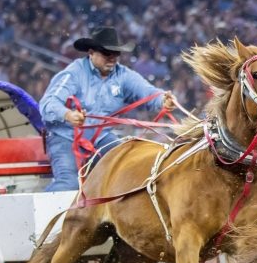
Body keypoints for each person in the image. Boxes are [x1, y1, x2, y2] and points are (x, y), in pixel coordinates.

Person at [39, 26, 175, 191]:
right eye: (106, 53)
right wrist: (68, 114)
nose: (112, 58)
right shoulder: (73, 73)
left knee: (131, 164)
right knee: (69, 183)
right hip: (65, 137)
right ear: (91, 52)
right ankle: (44, 215)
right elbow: (48, 103)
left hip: (101, 139)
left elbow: (149, 93)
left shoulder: (124, 75)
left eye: (115, 54)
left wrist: (163, 100)